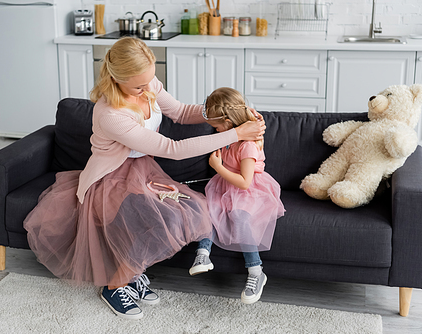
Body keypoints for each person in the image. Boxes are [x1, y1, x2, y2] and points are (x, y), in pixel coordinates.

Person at [23, 37, 266, 320]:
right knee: (145, 216)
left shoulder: (147, 83)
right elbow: (171, 149)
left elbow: (180, 112)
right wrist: (237, 134)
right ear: (117, 78)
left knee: (193, 209)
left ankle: (132, 272)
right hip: (110, 177)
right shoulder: (111, 114)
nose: (147, 88)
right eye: (139, 85)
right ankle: (114, 286)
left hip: (142, 169)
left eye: (150, 80)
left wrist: (228, 115)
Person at [188, 87, 285, 304]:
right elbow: (243, 112)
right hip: (225, 185)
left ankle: (256, 272)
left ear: (230, 122)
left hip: (248, 189)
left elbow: (245, 182)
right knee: (209, 209)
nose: (214, 130)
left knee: (240, 218)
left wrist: (217, 166)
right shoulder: (230, 133)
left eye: (216, 126)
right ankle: (203, 252)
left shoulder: (248, 146)